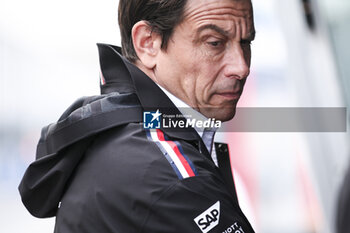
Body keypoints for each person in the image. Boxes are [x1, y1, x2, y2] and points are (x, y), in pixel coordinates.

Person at [19, 0, 256, 232]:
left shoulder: (121, 131)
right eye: (215, 43)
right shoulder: (173, 177)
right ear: (147, 43)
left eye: (245, 41)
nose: (241, 66)